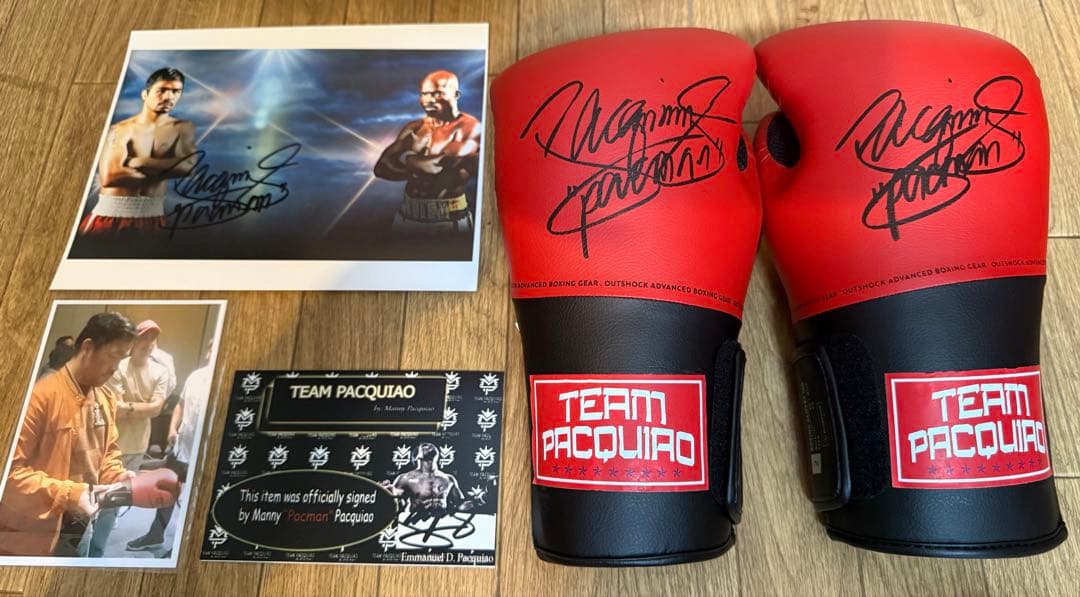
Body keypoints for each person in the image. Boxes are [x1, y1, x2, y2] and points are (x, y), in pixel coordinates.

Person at [0, 313, 137, 556]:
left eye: (122, 359)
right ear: (88, 347)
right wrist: (70, 494)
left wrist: (117, 474)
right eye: (114, 355)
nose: (116, 368)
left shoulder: (106, 398)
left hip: (82, 523)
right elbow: (8, 475)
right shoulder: (39, 397)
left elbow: (107, 453)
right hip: (32, 530)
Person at [79, 67, 197, 237]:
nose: (169, 97)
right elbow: (110, 177)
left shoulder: (183, 128)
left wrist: (140, 162)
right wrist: (167, 170)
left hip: (154, 217)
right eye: (162, 90)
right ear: (144, 95)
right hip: (111, 216)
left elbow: (189, 168)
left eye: (176, 91)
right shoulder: (121, 129)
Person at [87, 319, 169, 556]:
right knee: (89, 497)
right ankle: (79, 548)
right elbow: (116, 409)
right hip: (106, 444)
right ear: (134, 341)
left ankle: (96, 553)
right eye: (143, 337)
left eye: (152, 338)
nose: (148, 343)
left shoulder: (160, 372)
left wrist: (131, 407)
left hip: (136, 446)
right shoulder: (118, 367)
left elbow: (156, 409)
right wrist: (144, 407)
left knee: (114, 502)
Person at [127, 344, 212, 551]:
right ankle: (156, 535)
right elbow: (181, 404)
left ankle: (184, 548)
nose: (212, 353)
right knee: (167, 489)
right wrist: (172, 428)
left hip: (206, 453)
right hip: (182, 446)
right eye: (211, 349)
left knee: (198, 501)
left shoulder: (223, 379)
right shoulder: (195, 376)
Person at [374, 70, 481, 235]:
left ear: (456, 95)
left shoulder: (469, 127)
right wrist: (414, 164)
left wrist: (406, 159)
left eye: (437, 93)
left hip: (448, 222)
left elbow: (439, 166)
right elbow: (381, 168)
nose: (429, 99)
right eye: (424, 93)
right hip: (406, 217)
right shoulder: (415, 127)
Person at [382, 443, 482, 520]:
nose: (429, 445)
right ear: (417, 456)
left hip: (440, 526)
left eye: (431, 445)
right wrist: (387, 490)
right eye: (424, 446)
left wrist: (476, 501)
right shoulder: (406, 478)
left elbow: (460, 505)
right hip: (413, 525)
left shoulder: (449, 479)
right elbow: (394, 499)